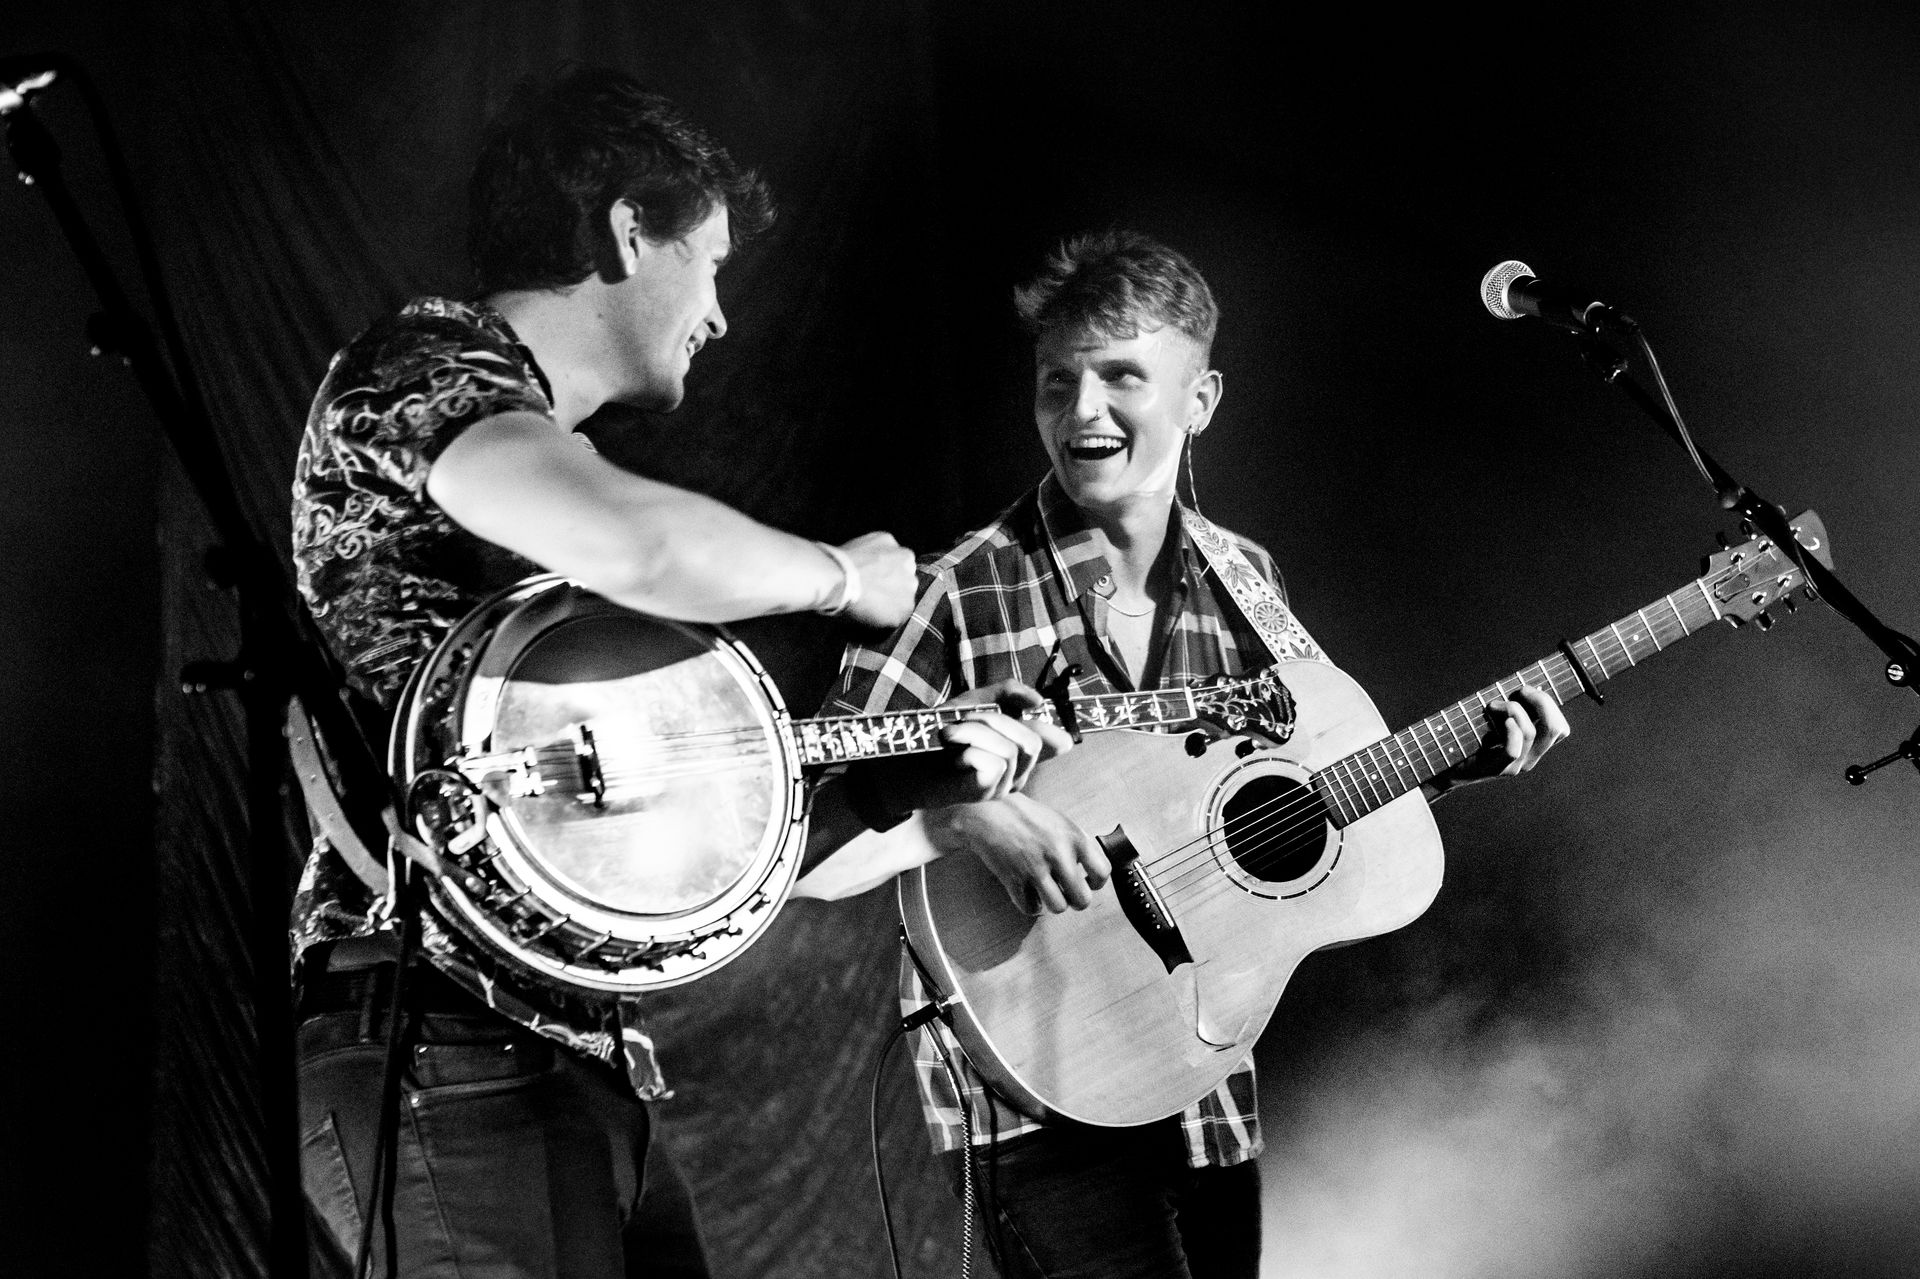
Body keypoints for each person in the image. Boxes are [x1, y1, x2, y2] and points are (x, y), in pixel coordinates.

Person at [288, 67, 1065, 1278]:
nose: (718, 315)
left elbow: (711, 827)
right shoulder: (426, 368)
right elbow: (645, 544)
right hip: (439, 1047)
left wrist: (922, 791)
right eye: (707, 262)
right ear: (626, 231)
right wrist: (837, 575)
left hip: (568, 1058)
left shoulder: (552, 534)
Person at [820, 231, 1571, 1279]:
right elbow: (803, 842)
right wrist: (956, 814)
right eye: (1057, 382)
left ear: (1202, 399)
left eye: (1122, 376)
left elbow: (1291, 799)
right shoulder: (955, 591)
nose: (1082, 411)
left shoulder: (1248, 580)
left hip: (1210, 1089)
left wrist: (1446, 765)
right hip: (1037, 1105)